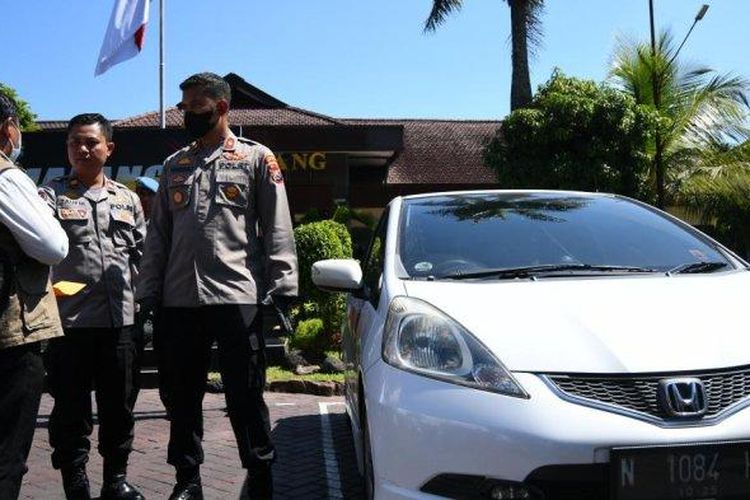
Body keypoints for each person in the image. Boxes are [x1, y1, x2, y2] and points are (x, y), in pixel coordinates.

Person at [137, 72, 298, 500]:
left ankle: (260, 477)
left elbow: (277, 225)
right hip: (179, 299)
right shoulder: (174, 165)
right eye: (184, 107)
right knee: (180, 396)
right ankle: (187, 479)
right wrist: (147, 293)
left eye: (196, 107)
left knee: (245, 393)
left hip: (236, 294)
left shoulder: (255, 158)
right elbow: (158, 236)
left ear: (221, 107)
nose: (187, 114)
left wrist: (283, 287)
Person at [39, 113, 146, 500]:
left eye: (90, 142)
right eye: (74, 143)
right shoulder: (50, 196)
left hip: (120, 322)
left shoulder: (127, 199)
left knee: (120, 408)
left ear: (109, 148)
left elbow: (143, 256)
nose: (82, 149)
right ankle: (76, 483)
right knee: (71, 410)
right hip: (70, 324)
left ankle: (115, 480)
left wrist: (147, 303)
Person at [0, 92, 68, 500]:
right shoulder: (6, 178)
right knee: (6, 455)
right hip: (11, 335)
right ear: (8, 130)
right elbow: (53, 246)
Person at [129, 175, 159, 412]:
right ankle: (127, 407)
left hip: (163, 301)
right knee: (132, 360)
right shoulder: (129, 224)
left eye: (149, 194)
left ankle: (174, 405)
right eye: (140, 194)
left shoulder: (167, 225)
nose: (144, 199)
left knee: (169, 359)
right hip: (137, 301)